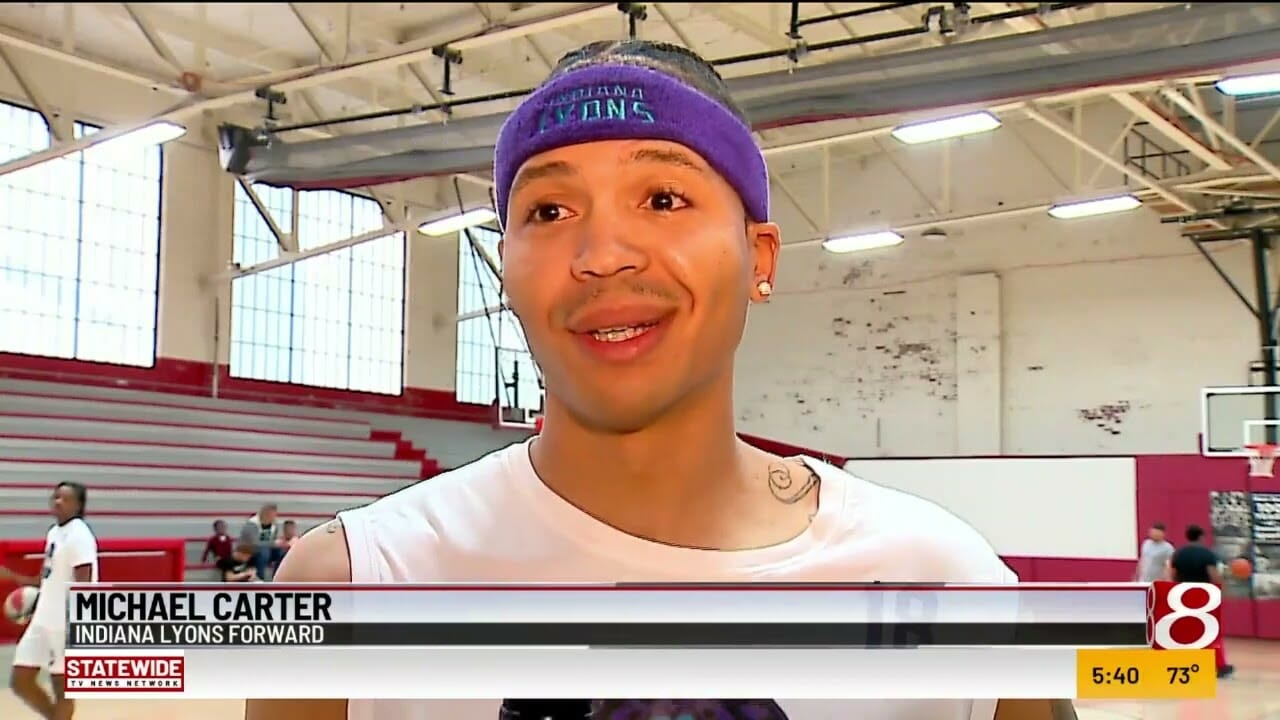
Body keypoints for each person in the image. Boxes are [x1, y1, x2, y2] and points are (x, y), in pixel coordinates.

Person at [247, 40, 1074, 720]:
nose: (602, 253)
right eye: (549, 211)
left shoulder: (942, 582)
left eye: (665, 198)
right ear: (508, 271)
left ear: (759, 257)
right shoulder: (356, 582)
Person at [1, 481, 98, 720]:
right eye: (55, 497)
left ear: (78, 505)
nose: (57, 502)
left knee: (62, 689)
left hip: (65, 624)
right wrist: (12, 577)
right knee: (20, 680)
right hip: (42, 619)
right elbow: (46, 578)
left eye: (65, 498)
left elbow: (84, 583)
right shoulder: (54, 532)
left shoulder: (79, 535)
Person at [1168, 524, 1232, 678]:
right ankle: (1219, 666)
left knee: (1184, 629)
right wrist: (1221, 591)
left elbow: (1172, 574)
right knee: (1210, 631)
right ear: (1201, 537)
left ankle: (1185, 664)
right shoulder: (1207, 554)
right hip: (1203, 595)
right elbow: (1213, 575)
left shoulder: (1179, 554)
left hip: (1182, 594)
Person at [239, 503, 282, 580]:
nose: (273, 516)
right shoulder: (252, 524)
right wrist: (272, 543)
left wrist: (278, 544)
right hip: (248, 550)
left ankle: (277, 577)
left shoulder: (274, 525)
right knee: (263, 552)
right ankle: (259, 578)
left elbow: (273, 539)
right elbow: (254, 542)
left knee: (281, 552)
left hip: (266, 549)